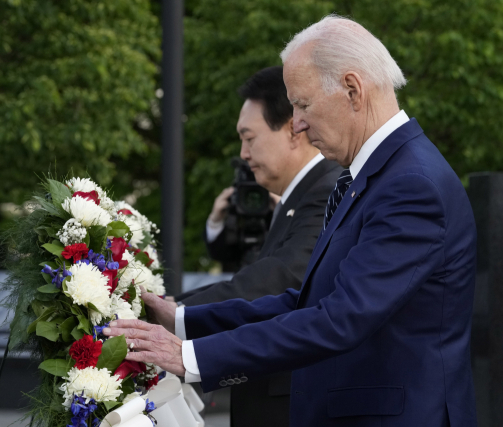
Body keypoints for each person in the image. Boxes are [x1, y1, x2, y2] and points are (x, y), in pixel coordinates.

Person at [105, 15, 478, 427]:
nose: (296, 123)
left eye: (302, 104)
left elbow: (340, 318)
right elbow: (306, 301)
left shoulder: (410, 184)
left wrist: (188, 356)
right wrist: (180, 319)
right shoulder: (381, 175)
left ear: (352, 90)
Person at [173, 66, 342, 426]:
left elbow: (282, 277)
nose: (244, 153)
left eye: (249, 138)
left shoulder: (326, 191)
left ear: (293, 130)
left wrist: (175, 315)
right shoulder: (299, 196)